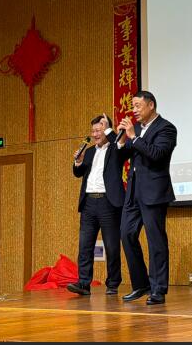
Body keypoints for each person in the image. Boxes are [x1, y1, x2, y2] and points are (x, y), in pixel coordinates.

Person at [117, 91, 177, 305]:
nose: (134, 110)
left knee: (155, 241)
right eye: (132, 106)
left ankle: (158, 289)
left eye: (138, 105)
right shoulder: (137, 129)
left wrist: (134, 137)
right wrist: (122, 141)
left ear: (151, 105)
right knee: (126, 234)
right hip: (133, 192)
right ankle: (141, 284)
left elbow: (156, 155)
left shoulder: (166, 128)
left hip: (154, 192)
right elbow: (122, 156)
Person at [67, 114, 127, 296]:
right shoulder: (90, 151)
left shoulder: (116, 147)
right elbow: (78, 173)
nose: (95, 134)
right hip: (88, 203)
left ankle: (113, 283)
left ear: (106, 130)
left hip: (108, 202)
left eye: (99, 130)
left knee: (111, 246)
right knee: (85, 245)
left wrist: (109, 129)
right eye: (93, 131)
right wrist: (78, 161)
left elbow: (121, 147)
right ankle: (83, 283)